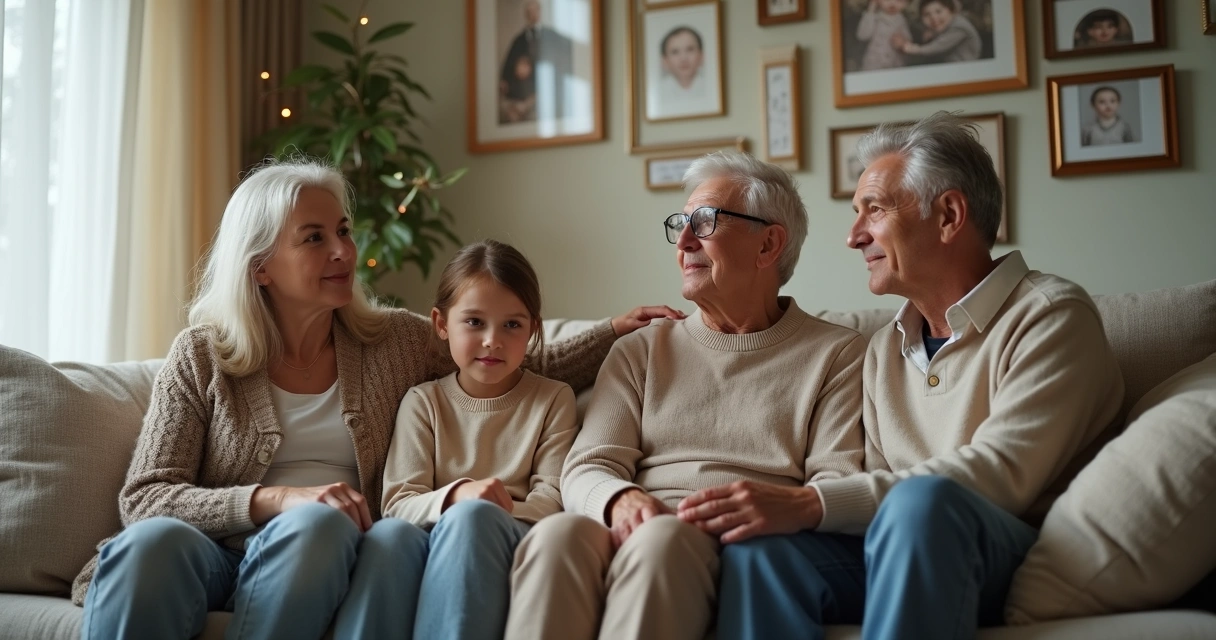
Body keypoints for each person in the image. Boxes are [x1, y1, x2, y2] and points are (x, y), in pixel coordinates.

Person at [74, 159, 681, 639]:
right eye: (314, 238)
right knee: (147, 547)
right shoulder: (202, 354)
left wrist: (610, 333)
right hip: (209, 549)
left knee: (314, 527)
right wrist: (274, 499)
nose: (343, 251)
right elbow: (146, 498)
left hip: (321, 547)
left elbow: (506, 359)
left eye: (342, 230)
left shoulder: (392, 340)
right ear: (260, 266)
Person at [714, 111, 1124, 639]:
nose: (854, 236)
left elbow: (1002, 476)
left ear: (949, 215)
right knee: (760, 551)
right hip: (907, 545)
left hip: (1023, 555)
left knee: (920, 504)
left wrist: (810, 503)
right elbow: (877, 489)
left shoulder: (1050, 315)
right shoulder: (885, 347)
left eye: (874, 210)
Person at [505, 151, 867, 640]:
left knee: (662, 541)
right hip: (637, 519)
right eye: (681, 224)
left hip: (732, 539)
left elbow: (835, 479)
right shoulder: (642, 349)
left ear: (769, 244)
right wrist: (621, 501)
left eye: (706, 222)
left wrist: (767, 510)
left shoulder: (837, 353)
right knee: (556, 535)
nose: (685, 242)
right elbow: (589, 465)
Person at [380, 240, 580, 640]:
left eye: (512, 325)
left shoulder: (554, 399)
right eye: (474, 322)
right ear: (441, 323)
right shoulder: (424, 402)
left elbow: (553, 498)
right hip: (435, 538)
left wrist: (490, 510)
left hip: (514, 537)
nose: (493, 340)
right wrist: (459, 497)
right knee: (386, 540)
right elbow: (397, 503)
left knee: (475, 518)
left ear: (533, 329)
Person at [499, 0, 572, 124]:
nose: (532, 15)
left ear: (539, 12)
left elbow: (562, 60)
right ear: (526, 15)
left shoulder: (551, 36)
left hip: (546, 87)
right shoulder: (519, 40)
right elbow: (509, 63)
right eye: (529, 12)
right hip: (523, 89)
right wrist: (505, 79)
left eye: (535, 11)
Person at [894, 0, 981, 63]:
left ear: (951, 11)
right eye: (927, 14)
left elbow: (937, 47)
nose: (934, 18)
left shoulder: (959, 27)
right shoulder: (947, 23)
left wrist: (912, 49)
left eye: (938, 11)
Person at [652, 26, 709, 118]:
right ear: (664, 61)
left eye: (690, 49)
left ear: (701, 55)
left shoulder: (710, 86)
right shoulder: (658, 93)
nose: (683, 58)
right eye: (675, 52)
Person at [855, 0, 911, 71]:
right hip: (873, 63)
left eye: (899, 1)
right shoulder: (874, 16)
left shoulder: (902, 20)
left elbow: (908, 43)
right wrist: (871, 9)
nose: (892, 3)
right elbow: (862, 36)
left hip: (894, 64)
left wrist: (903, 43)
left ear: (906, 3)